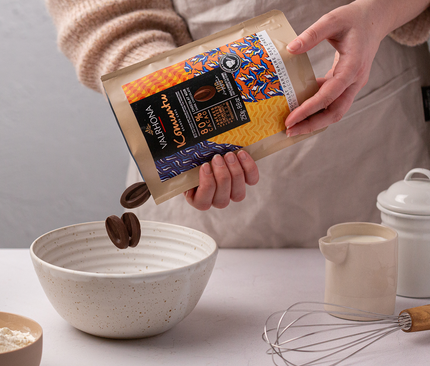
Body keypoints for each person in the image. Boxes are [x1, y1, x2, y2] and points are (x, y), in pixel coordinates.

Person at [46, 0, 430, 247]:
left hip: (377, 131)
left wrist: (377, 13)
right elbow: (104, 11)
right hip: (207, 170)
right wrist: (167, 92)